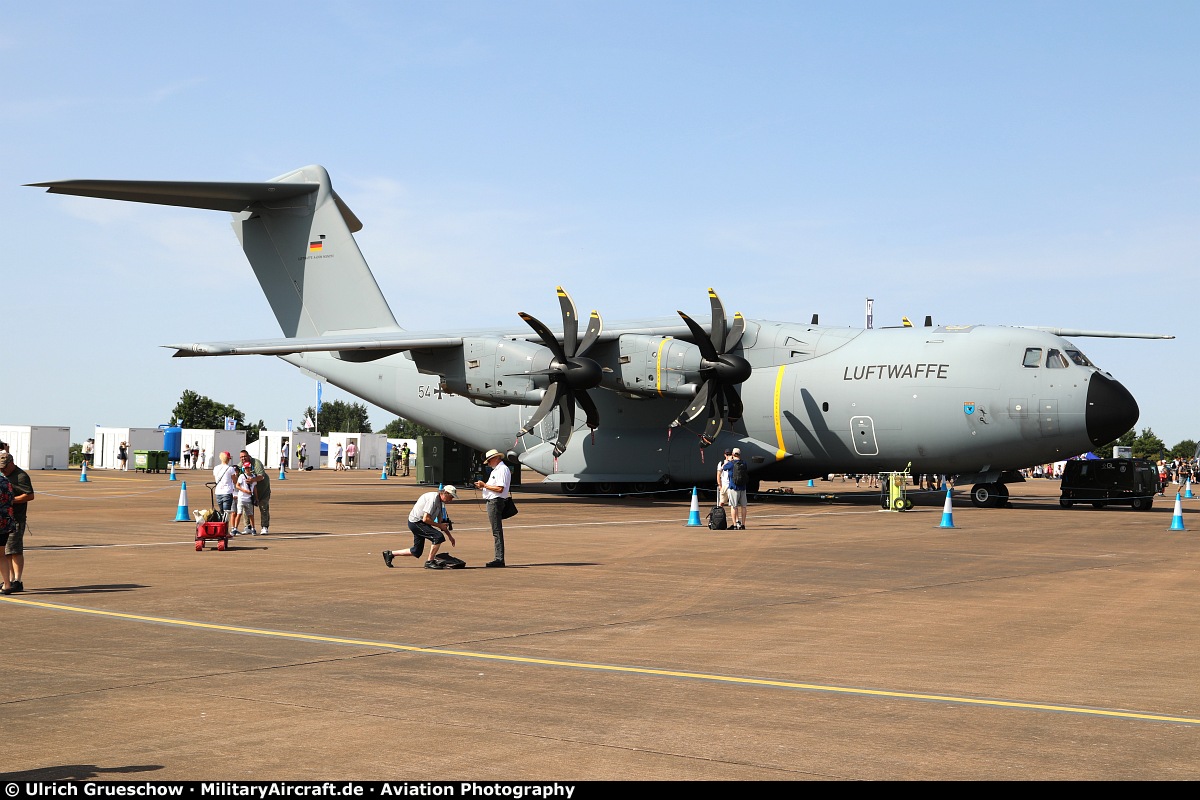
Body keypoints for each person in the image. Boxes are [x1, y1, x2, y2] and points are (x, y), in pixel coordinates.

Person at [382, 485, 457, 569]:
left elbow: (440, 523)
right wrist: (440, 525)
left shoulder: (441, 503)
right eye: (451, 497)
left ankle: (390, 554)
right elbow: (426, 519)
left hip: (421, 523)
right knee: (438, 537)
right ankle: (430, 562)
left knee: (416, 551)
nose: (451, 500)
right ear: (445, 493)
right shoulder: (432, 499)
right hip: (416, 522)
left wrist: (450, 536)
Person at [0, 451, 34, 593]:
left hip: (16, 518)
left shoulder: (21, 476)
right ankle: (9, 579)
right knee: (7, 551)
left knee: (15, 550)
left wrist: (10, 501)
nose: (2, 470)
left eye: (4, 467)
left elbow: (30, 495)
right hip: (7, 518)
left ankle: (17, 580)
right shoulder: (4, 475)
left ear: (11, 463)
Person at [474, 449, 512, 568]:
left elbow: (500, 488)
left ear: (496, 458)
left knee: (496, 531)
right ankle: (498, 558)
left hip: (495, 501)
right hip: (494, 501)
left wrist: (484, 485)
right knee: (496, 530)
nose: (489, 463)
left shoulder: (501, 470)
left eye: (489, 461)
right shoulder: (498, 469)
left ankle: (499, 558)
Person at [239, 449, 272, 535]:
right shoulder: (240, 466)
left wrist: (253, 480)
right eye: (241, 457)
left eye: (245, 456)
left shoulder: (256, 463)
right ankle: (248, 527)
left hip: (263, 490)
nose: (243, 458)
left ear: (249, 456)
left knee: (264, 507)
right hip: (249, 492)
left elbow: (261, 476)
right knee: (246, 508)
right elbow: (236, 478)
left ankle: (264, 527)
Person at [721, 447, 748, 530]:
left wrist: (729, 460)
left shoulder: (731, 463)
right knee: (743, 506)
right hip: (743, 487)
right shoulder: (744, 463)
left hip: (733, 487)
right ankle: (743, 524)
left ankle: (735, 524)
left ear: (733, 454)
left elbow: (723, 468)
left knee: (734, 506)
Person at [212, 451, 237, 532]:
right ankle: (224, 531)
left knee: (222, 512)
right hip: (227, 492)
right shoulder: (230, 468)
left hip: (218, 492)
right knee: (226, 513)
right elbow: (234, 480)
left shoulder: (216, 468)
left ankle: (221, 530)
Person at [0, 466, 15, 595]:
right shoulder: (6, 481)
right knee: (1, 555)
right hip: (5, 522)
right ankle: (7, 584)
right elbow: (11, 500)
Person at [231, 464, 256, 536]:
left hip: (249, 498)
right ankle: (235, 528)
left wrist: (256, 497)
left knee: (251, 514)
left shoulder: (253, 477)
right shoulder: (242, 476)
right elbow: (237, 486)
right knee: (239, 513)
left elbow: (254, 487)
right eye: (246, 468)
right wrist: (245, 491)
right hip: (241, 498)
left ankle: (253, 528)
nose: (247, 469)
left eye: (248, 468)